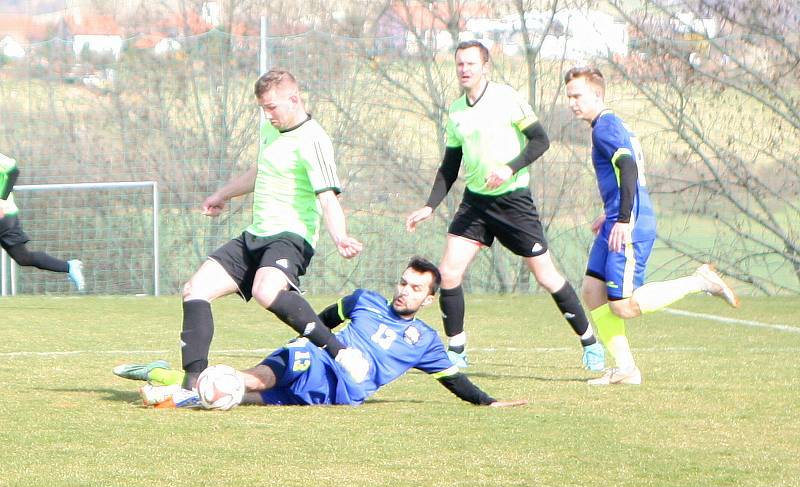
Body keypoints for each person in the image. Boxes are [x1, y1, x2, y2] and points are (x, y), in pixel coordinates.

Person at [405, 40, 603, 372]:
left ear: (485, 67)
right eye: (459, 65)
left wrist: (509, 168)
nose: (464, 70)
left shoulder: (507, 99)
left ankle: (589, 342)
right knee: (449, 272)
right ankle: (456, 350)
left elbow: (541, 140)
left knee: (546, 276)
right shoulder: (455, 111)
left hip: (513, 203)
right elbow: (450, 165)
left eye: (470, 64)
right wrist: (430, 206)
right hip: (476, 203)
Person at [114, 257, 527, 409]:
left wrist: (490, 402)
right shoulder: (365, 300)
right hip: (315, 357)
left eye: (416, 288)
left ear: (430, 298)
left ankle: (166, 378)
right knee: (257, 378)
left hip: (339, 394)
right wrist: (306, 339)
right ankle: (187, 387)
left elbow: (454, 379)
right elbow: (324, 316)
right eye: (403, 282)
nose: (404, 291)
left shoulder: (426, 343)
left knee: (247, 396)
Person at [178, 69, 367, 390]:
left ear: (294, 99)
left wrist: (340, 236)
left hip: (291, 237)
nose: (268, 114)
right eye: (263, 108)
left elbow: (328, 196)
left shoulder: (314, 140)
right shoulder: (270, 129)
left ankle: (341, 353)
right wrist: (223, 194)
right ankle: (192, 384)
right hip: (256, 235)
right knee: (195, 290)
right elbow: (259, 170)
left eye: (272, 107)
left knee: (266, 291)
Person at [564, 66, 739, 385]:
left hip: (629, 222)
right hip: (618, 215)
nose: (572, 102)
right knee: (593, 291)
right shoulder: (607, 126)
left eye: (577, 95)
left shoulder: (605, 127)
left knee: (624, 307)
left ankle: (699, 281)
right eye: (569, 97)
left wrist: (621, 218)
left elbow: (628, 168)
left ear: (597, 94)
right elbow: (627, 174)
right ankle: (627, 370)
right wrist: (610, 212)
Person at [0, 152, 84, 291]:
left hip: (5, 216)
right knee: (23, 258)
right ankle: (69, 266)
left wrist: (1, 201)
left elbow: (13, 170)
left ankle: (69, 266)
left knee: (23, 257)